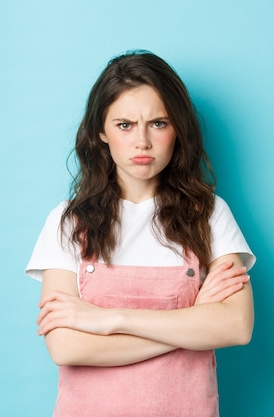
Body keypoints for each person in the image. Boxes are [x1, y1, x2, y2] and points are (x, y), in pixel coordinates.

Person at [25, 50, 256, 417]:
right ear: (100, 131)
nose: (142, 141)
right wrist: (191, 321)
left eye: (159, 123)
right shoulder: (67, 222)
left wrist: (111, 320)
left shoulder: (210, 215)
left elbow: (236, 326)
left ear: (178, 128)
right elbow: (66, 346)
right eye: (125, 125)